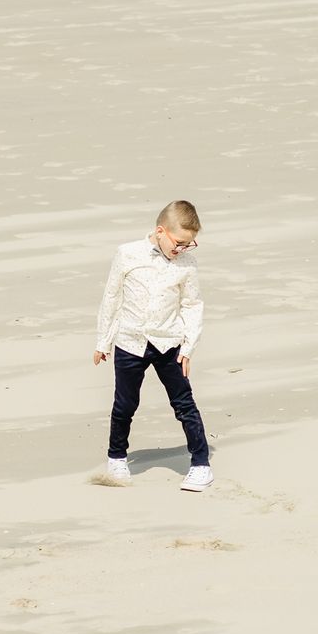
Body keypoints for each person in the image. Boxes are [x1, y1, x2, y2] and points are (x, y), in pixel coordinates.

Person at [93, 199, 212, 491]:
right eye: (180, 242)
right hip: (129, 342)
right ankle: (117, 459)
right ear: (161, 231)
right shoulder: (127, 254)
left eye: (190, 244)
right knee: (125, 404)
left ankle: (200, 464)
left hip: (169, 342)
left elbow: (192, 304)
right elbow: (111, 298)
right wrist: (103, 341)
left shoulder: (187, 263)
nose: (182, 249)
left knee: (183, 403)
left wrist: (188, 347)